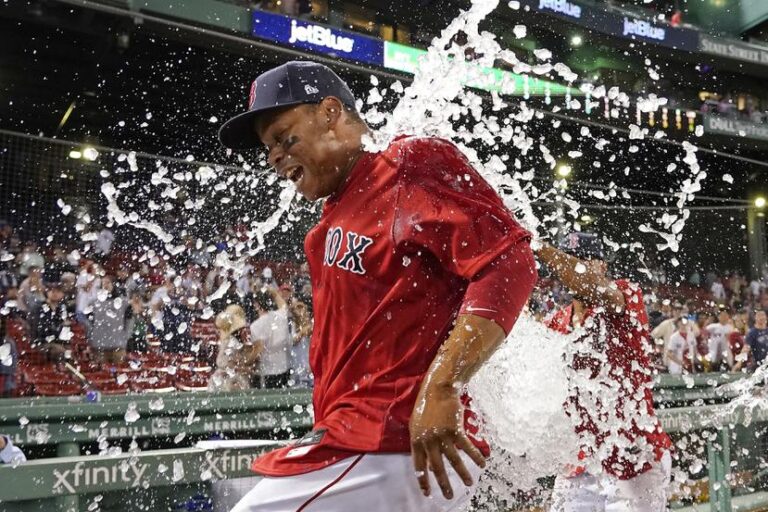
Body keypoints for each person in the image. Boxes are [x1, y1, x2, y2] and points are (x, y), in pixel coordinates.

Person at [218, 61, 536, 511]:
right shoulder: (334, 213)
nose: (274, 157)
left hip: (394, 437)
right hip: (374, 440)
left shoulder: (408, 161)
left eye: (284, 137)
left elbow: (509, 263)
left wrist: (442, 388)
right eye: (268, 148)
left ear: (330, 113)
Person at [538, 233, 672, 512]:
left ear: (603, 265)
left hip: (634, 458)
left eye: (587, 260)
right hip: (579, 461)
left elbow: (591, 287)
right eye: (573, 260)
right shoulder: (555, 321)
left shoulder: (625, 294)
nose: (579, 267)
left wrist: (535, 245)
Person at [208, 304, 262, 391]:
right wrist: (244, 368)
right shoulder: (229, 341)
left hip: (236, 379)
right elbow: (221, 362)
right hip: (226, 381)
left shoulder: (239, 339)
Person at [88, 274, 140, 364]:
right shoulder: (94, 303)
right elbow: (89, 322)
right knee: (102, 374)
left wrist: (126, 337)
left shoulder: (123, 303)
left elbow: (129, 321)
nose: (105, 285)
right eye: (103, 283)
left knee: (119, 370)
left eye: (108, 282)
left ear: (113, 284)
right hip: (100, 344)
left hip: (118, 344)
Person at [250, 289, 291, 389]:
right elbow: (283, 305)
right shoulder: (280, 316)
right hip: (285, 367)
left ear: (256, 305)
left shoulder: (256, 325)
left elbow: (259, 350)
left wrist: (246, 361)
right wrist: (275, 293)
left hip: (268, 371)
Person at [31, 282, 72, 361]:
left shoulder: (61, 309)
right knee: (61, 351)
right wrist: (59, 328)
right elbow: (40, 330)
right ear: (47, 292)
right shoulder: (40, 308)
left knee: (70, 351)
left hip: (57, 341)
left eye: (58, 291)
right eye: (53, 291)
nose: (55, 294)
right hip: (42, 342)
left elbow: (65, 331)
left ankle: (67, 372)